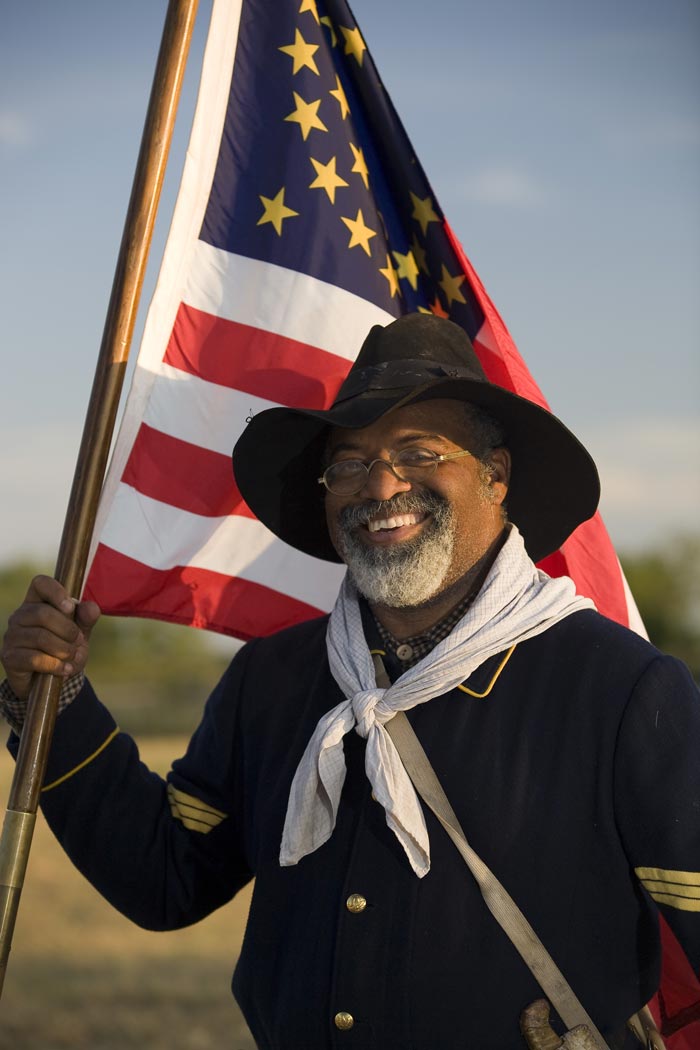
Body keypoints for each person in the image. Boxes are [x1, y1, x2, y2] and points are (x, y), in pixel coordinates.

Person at [1, 314, 698, 1050]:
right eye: (351, 463)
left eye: (421, 453)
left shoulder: (622, 688)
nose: (383, 484)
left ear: (496, 476)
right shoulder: (272, 679)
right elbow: (166, 878)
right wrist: (54, 695)